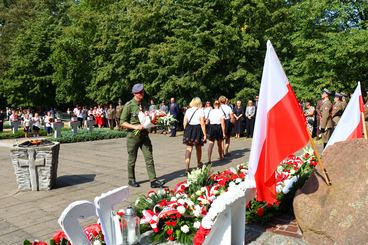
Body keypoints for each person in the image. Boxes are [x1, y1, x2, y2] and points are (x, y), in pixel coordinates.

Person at [121, 83, 163, 188]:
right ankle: (131, 179)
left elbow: (149, 117)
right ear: (135, 93)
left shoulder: (145, 104)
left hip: (144, 135)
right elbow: (122, 122)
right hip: (133, 137)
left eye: (143, 92)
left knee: (149, 158)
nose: (142, 94)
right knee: (132, 159)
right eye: (140, 92)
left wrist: (155, 119)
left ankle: (153, 180)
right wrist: (135, 127)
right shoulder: (129, 105)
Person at [183, 97, 206, 174]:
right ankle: (199, 163)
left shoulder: (188, 110)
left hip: (189, 129)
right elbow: (202, 123)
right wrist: (205, 134)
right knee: (198, 147)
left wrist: (186, 130)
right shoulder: (200, 110)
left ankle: (187, 168)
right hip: (197, 129)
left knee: (189, 148)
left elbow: (185, 121)